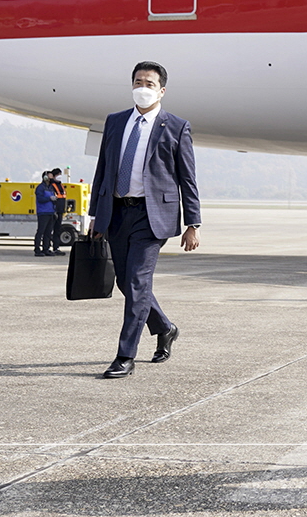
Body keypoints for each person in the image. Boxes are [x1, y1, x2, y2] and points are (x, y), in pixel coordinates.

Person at [89, 61, 201, 379]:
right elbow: (103, 170)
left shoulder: (176, 127)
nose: (142, 87)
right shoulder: (115, 122)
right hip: (116, 211)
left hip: (152, 216)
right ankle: (165, 327)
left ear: (161, 90)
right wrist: (96, 216)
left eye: (149, 83)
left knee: (137, 282)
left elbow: (187, 179)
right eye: (138, 81)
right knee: (126, 282)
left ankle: (125, 356)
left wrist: (193, 224)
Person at [33, 171, 60, 257]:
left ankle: (46, 249)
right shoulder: (40, 188)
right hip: (43, 212)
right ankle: (37, 249)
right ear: (45, 177)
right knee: (41, 231)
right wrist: (49, 198)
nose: (51, 178)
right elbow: (40, 198)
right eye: (50, 176)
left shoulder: (51, 188)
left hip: (50, 212)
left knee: (48, 232)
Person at [50, 168, 68, 253]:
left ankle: (56, 248)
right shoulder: (51, 185)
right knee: (49, 230)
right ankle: (46, 247)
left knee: (57, 230)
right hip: (54, 211)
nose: (59, 176)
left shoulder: (61, 185)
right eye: (58, 175)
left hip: (60, 211)